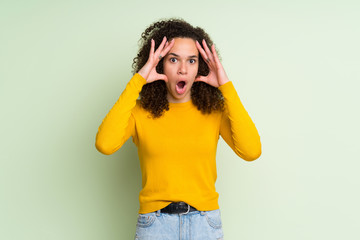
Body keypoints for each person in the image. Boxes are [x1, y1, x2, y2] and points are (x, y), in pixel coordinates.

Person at [95, 18, 261, 240]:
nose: (183, 69)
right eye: (174, 59)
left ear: (200, 67)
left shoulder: (215, 111)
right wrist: (139, 80)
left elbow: (251, 151)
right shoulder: (139, 112)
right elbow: (105, 144)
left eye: (192, 61)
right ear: (160, 63)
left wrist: (225, 87)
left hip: (205, 225)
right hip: (155, 226)